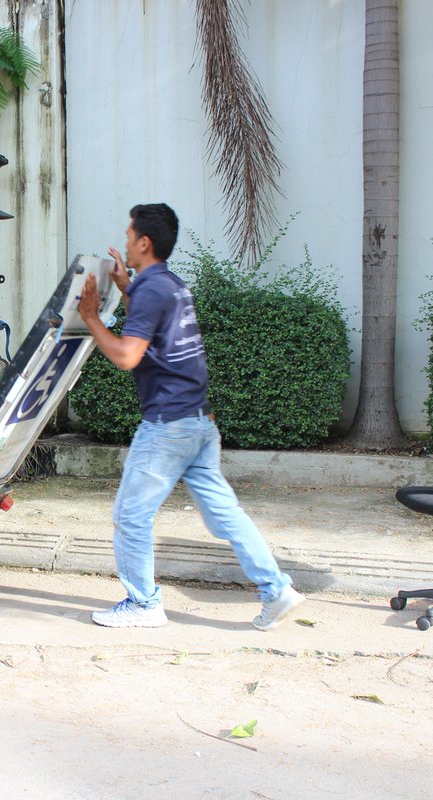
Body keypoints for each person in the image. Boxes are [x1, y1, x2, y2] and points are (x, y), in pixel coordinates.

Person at [77, 203, 303, 631]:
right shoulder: (171, 285)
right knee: (226, 515)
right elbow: (158, 334)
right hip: (200, 422)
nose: (125, 242)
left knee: (130, 516)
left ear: (144, 242)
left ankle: (143, 603)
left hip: (168, 427)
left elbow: (128, 356)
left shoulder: (151, 290)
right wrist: (126, 288)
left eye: (129, 236)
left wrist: (90, 317)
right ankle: (277, 590)